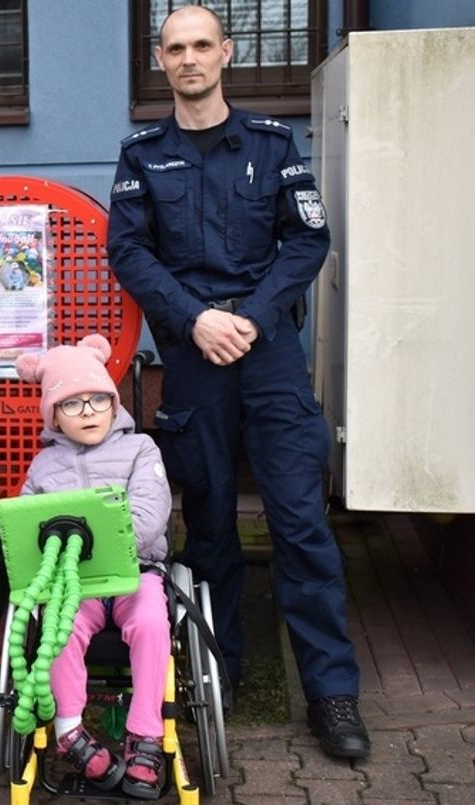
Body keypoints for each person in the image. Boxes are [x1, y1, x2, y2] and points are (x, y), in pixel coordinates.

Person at [106, 5, 369, 759]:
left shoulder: (272, 144)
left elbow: (308, 238)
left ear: (226, 52)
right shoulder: (142, 155)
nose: (189, 59)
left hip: (268, 350)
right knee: (210, 523)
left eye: (201, 46)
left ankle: (332, 692)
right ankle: (217, 675)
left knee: (299, 522)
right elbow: (130, 252)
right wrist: (196, 320)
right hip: (192, 356)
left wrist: (248, 318)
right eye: (174, 48)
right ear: (162, 61)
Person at [15, 334, 172, 800]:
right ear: (53, 415)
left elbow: (148, 516)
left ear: (114, 401)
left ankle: (146, 735)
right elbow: (25, 530)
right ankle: (69, 731)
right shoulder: (43, 467)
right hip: (73, 584)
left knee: (149, 619)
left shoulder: (142, 450)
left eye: (98, 399)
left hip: (134, 572)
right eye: (73, 403)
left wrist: (94, 542)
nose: (88, 411)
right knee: (55, 627)